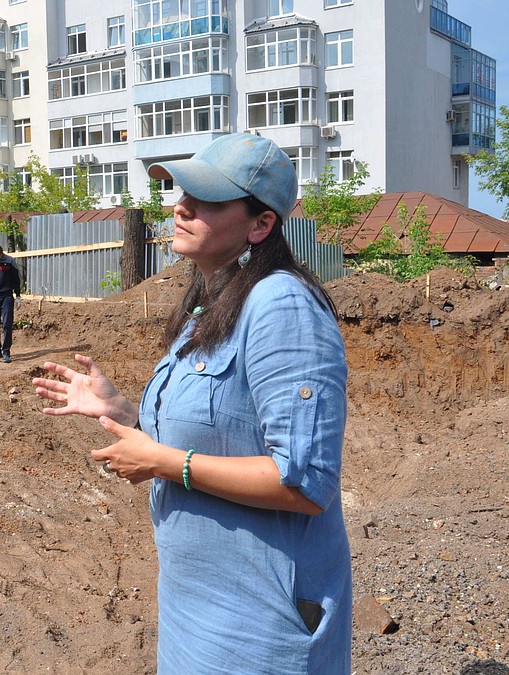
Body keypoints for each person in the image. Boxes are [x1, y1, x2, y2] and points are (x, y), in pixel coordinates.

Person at [32, 134, 352, 673]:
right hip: (196, 607)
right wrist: (123, 413)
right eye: (183, 192)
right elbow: (219, 428)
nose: (181, 206)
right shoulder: (211, 304)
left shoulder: (281, 305)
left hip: (258, 623)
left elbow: (304, 481)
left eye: (207, 199)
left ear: (260, 225)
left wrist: (165, 463)